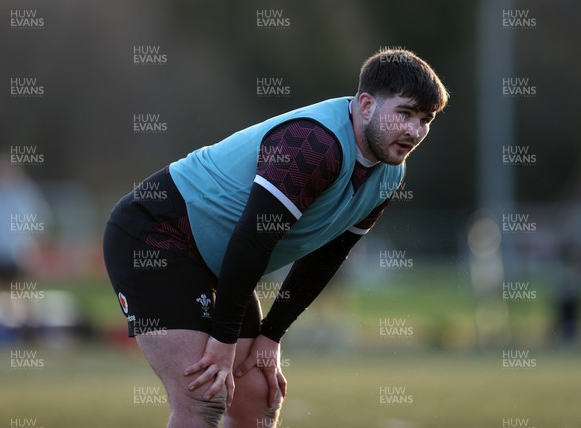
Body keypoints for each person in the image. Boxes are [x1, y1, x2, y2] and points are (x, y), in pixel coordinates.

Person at [103, 48, 449, 428]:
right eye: (405, 113)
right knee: (203, 397)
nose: (415, 131)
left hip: (222, 260)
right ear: (365, 104)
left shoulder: (389, 175)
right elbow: (253, 241)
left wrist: (272, 335)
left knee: (259, 403)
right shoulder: (313, 146)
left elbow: (327, 256)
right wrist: (222, 342)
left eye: (425, 119)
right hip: (156, 235)